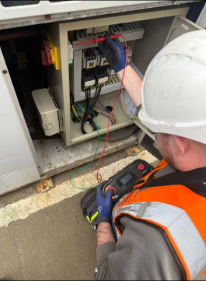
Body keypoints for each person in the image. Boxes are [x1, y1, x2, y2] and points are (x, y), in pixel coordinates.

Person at [82, 30, 206, 280]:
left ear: (181, 143)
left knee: (90, 201)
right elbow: (160, 114)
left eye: (158, 129)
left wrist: (104, 221)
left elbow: (106, 276)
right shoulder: (196, 137)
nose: (152, 130)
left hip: (152, 248)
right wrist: (122, 67)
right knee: (140, 168)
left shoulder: (157, 241)